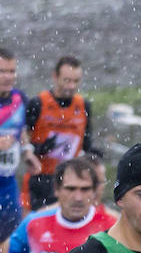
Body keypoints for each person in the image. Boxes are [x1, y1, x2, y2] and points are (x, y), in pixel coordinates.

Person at [25, 56, 98, 211]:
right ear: (55, 76)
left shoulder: (84, 105)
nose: (71, 86)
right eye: (67, 80)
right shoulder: (38, 103)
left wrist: (93, 153)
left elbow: (86, 143)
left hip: (71, 181)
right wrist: (37, 148)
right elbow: (22, 140)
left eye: (76, 81)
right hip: (41, 178)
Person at [0, 47, 38, 253]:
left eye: (11, 71)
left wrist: (28, 152)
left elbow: (22, 132)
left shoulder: (19, 100)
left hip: (7, 185)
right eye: (2, 71)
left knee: (10, 248)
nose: (8, 77)